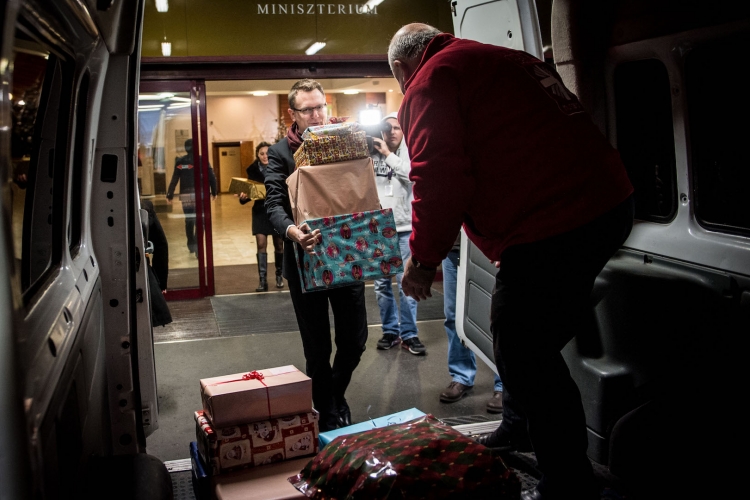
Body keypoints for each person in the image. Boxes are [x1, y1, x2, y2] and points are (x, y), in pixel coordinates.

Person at [388, 24, 634, 500]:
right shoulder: (499, 57)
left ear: (401, 67)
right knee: (520, 333)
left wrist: (422, 261)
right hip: (606, 203)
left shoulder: (430, 81)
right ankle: (519, 426)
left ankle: (569, 484)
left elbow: (438, 179)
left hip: (557, 219)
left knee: (524, 349)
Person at [264, 78, 368, 433]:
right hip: (304, 260)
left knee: (355, 342)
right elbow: (274, 204)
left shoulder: (343, 140)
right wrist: (293, 232)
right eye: (307, 109)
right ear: (292, 113)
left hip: (347, 254)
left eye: (320, 106)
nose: (316, 114)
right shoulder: (280, 154)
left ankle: (333, 395)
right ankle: (327, 411)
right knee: (317, 348)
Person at [369, 112, 425, 355]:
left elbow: (412, 177)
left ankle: (409, 334)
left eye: (396, 128)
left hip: (404, 228)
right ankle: (390, 331)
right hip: (379, 228)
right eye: (387, 127)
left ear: (403, 131)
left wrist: (388, 155)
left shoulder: (410, 152)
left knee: (407, 284)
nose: (391, 132)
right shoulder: (370, 153)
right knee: (381, 285)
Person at [440, 233, 504, 413]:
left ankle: (503, 384)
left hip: (489, 248)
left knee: (496, 318)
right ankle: (462, 376)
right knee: (453, 315)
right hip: (455, 248)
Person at [238, 141, 284, 291]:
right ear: (257, 155)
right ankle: (262, 281)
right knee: (260, 244)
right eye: (261, 153)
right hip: (260, 212)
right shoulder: (252, 170)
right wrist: (243, 197)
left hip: (277, 211)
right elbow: (249, 194)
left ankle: (279, 276)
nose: (265, 156)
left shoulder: (279, 167)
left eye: (267, 153)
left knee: (279, 244)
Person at [166, 138, 217, 256]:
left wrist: (170, 194)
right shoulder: (202, 160)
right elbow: (211, 176)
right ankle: (198, 245)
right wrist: (214, 191)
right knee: (200, 221)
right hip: (200, 194)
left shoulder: (180, 161)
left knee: (189, 219)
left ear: (186, 148)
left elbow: (175, 178)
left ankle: (191, 243)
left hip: (186, 194)